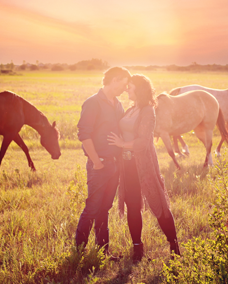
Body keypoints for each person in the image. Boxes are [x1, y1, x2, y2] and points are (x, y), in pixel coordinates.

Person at [107, 74, 180, 262]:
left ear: (139, 89)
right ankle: (137, 248)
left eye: (130, 87)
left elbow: (143, 142)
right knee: (132, 206)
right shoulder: (131, 109)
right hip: (128, 165)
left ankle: (173, 244)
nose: (127, 89)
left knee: (159, 202)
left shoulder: (148, 111)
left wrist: (122, 144)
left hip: (145, 164)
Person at [74, 66, 131, 258]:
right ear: (114, 80)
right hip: (99, 165)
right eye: (123, 85)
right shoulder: (92, 103)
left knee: (105, 208)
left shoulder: (118, 104)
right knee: (92, 207)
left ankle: (103, 251)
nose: (124, 89)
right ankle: (79, 253)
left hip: (115, 165)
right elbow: (84, 135)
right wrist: (97, 162)